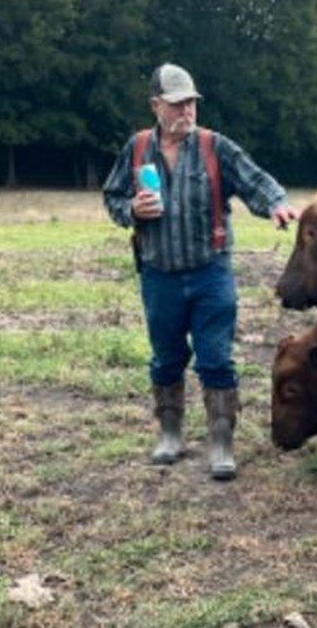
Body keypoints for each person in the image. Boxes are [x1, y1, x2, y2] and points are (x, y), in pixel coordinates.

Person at [103, 63, 297, 480]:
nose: (186, 111)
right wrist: (130, 210)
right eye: (177, 104)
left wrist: (277, 204)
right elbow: (112, 196)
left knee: (216, 359)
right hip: (159, 275)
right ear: (156, 105)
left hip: (211, 274)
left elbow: (256, 182)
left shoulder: (214, 147)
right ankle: (170, 434)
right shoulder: (137, 150)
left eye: (191, 102)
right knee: (166, 358)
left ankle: (221, 443)